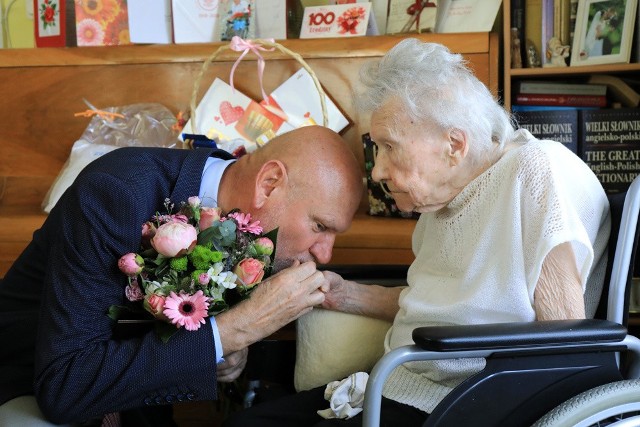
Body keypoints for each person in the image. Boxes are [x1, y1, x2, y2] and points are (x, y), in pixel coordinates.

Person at [223, 39, 611, 427]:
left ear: (453, 144)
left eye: (389, 146)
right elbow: (437, 306)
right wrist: (342, 293)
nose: (376, 171)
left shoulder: (537, 171)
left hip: (465, 404)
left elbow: (565, 340)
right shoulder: (443, 199)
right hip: (392, 386)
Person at [0, 125, 363, 426]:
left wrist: (225, 350)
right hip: (30, 376)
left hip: (136, 398)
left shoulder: (256, 224)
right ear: (268, 183)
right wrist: (232, 331)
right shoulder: (116, 192)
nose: (325, 253)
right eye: (320, 225)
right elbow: (65, 388)